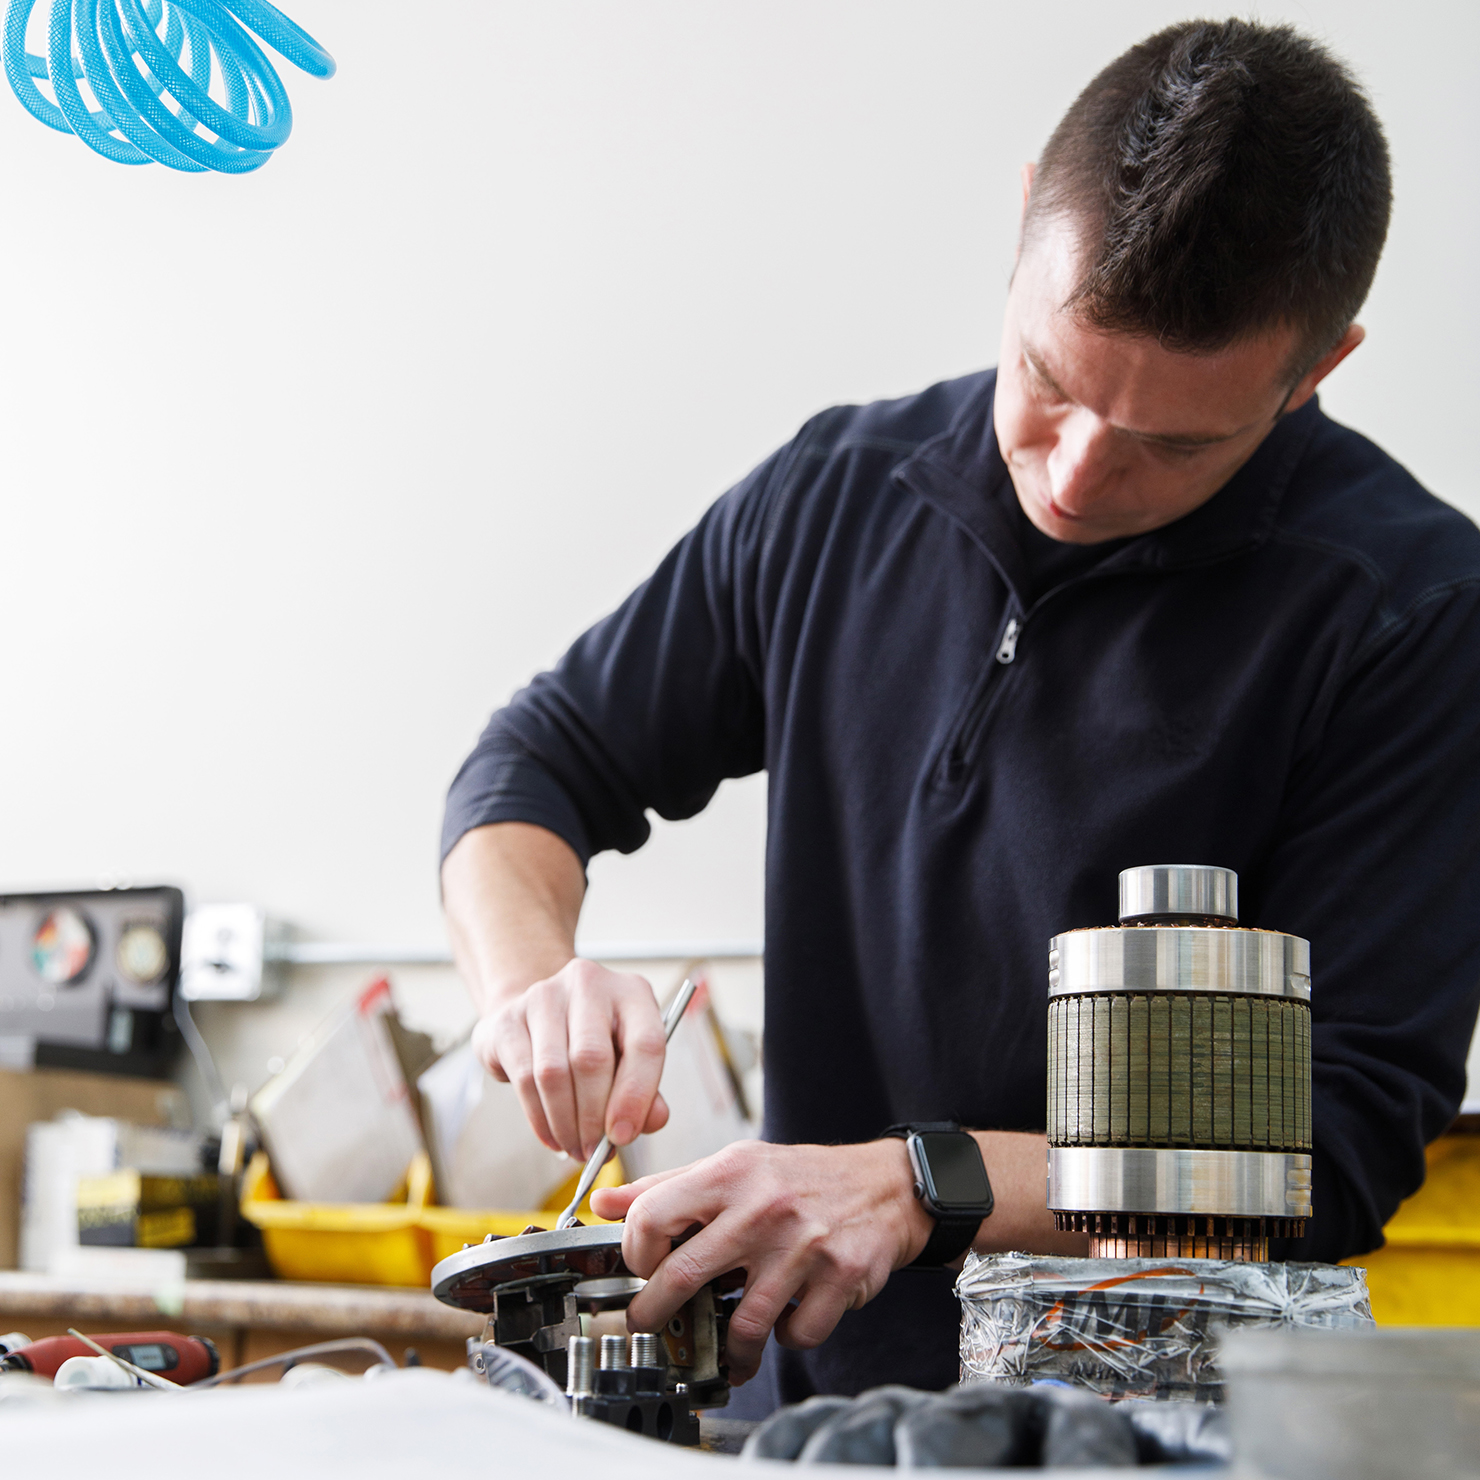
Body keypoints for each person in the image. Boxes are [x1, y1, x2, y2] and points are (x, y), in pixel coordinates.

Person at [440, 19, 1480, 1412]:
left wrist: (920, 1185)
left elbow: (1326, 1147)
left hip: (1140, 1436)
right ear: (1024, 219)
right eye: (1051, 381)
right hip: (798, 1411)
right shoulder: (833, 495)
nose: (1077, 474)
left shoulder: (1410, 614)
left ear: (1319, 367)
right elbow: (538, 764)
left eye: (1178, 442)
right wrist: (530, 985)